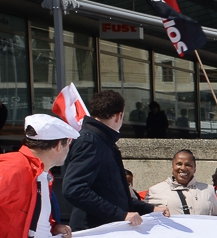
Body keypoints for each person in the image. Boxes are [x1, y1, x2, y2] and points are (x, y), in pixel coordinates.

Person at [63, 89, 165, 230]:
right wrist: (120, 215)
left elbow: (114, 195)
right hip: (94, 232)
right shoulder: (90, 141)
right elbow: (74, 189)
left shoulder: (103, 142)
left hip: (107, 229)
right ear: (119, 116)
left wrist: (150, 209)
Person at [147, 150, 217, 215]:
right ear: (172, 167)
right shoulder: (155, 191)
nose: (183, 168)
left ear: (195, 168)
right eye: (179, 164)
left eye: (188, 165)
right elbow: (144, 218)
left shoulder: (208, 190)